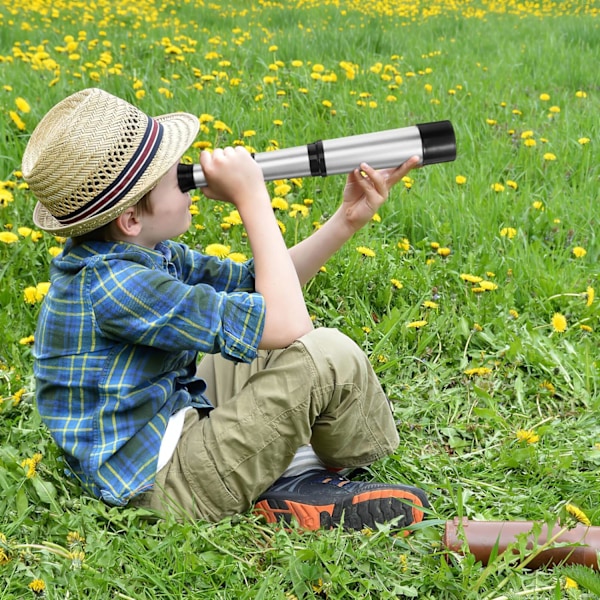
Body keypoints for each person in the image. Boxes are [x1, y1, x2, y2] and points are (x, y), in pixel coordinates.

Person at [22, 87, 429, 531]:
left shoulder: (134, 255)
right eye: (175, 174)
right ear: (131, 219)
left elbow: (263, 287)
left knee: (261, 344)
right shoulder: (117, 285)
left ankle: (290, 474)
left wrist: (346, 220)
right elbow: (288, 321)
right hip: (161, 487)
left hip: (168, 425)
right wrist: (252, 199)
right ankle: (311, 481)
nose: (189, 176)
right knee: (327, 355)